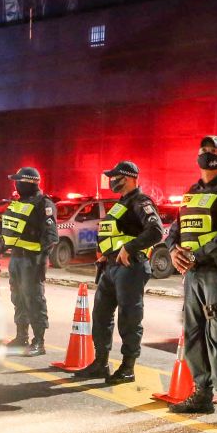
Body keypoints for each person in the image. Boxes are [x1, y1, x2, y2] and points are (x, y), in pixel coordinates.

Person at [165, 135, 217, 429]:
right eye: (203, 151)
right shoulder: (191, 193)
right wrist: (173, 251)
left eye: (214, 151)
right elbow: (175, 228)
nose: (208, 155)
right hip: (193, 276)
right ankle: (201, 393)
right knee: (194, 335)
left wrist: (197, 256)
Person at [73, 160, 164, 384]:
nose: (112, 180)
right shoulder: (120, 204)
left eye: (116, 176)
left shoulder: (141, 202)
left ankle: (127, 367)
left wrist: (128, 248)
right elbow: (112, 233)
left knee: (129, 318)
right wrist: (105, 252)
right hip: (111, 266)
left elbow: (156, 231)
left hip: (130, 266)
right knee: (100, 316)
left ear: (129, 177)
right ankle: (100, 363)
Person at [0, 167, 58, 357]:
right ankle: (21, 337)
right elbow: (11, 233)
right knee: (18, 299)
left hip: (32, 260)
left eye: (18, 181)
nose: (16, 185)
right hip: (17, 259)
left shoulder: (43, 204)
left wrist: (41, 261)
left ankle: (39, 341)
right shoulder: (19, 203)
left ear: (28, 182)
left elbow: (51, 237)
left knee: (34, 300)